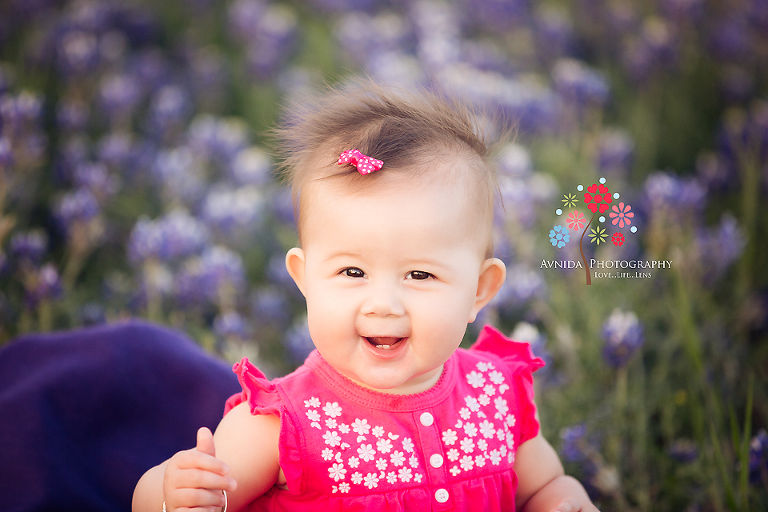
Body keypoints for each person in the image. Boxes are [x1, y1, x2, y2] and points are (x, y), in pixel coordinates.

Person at [132, 80, 599, 512]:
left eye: (419, 275)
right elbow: (169, 503)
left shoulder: (495, 395)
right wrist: (172, 494)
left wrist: (567, 500)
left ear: (480, 290)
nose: (383, 304)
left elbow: (543, 486)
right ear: (304, 276)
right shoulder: (279, 426)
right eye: (353, 271)